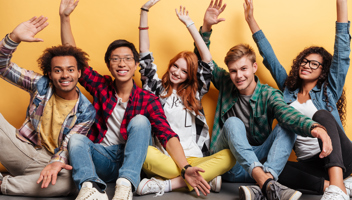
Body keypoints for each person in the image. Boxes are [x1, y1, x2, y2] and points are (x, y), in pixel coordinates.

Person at [59, 0, 211, 199]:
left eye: (128, 59)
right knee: (76, 139)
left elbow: (167, 134)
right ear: (108, 64)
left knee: (140, 120)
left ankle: (126, 186)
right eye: (115, 59)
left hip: (132, 160)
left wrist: (185, 168)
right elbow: (75, 59)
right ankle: (90, 188)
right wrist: (64, 18)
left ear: (135, 64)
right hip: (102, 157)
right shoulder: (101, 86)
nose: (122, 63)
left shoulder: (147, 98)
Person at [194, 0, 334, 199]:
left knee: (286, 125)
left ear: (253, 68)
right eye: (233, 71)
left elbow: (288, 114)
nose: (238, 76)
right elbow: (204, 60)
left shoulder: (269, 94)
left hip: (262, 164)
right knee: (233, 123)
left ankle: (264, 184)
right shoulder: (226, 82)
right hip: (229, 163)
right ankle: (267, 182)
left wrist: (316, 128)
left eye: (243, 69)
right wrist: (206, 27)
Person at [243, 0, 352, 199]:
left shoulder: (328, 92)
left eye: (314, 64)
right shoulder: (287, 91)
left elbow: (342, 53)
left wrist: (341, 4)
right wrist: (251, 20)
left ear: (323, 72)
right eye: (304, 61)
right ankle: (335, 186)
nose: (307, 65)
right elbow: (270, 58)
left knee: (321, 115)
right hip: (311, 164)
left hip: (340, 157)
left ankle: (338, 189)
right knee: (272, 167)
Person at [136, 0, 235, 196]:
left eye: (184, 71)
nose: (177, 73)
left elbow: (207, 61)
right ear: (170, 65)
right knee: (143, 153)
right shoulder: (155, 89)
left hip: (196, 159)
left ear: (190, 75)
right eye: (175, 66)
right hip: (167, 159)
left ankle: (167, 185)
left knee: (231, 156)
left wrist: (190, 24)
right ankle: (205, 178)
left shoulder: (195, 92)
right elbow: (145, 54)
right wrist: (144, 10)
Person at [0, 16, 96, 197]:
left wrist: (55, 163)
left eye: (70, 69)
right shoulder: (40, 85)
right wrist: (14, 38)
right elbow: (2, 67)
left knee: (70, 181)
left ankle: (4, 183)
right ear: (50, 74)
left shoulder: (86, 110)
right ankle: (25, 180)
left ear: (79, 73)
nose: (65, 75)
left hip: (50, 162)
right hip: (21, 148)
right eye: (58, 70)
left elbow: (69, 146)